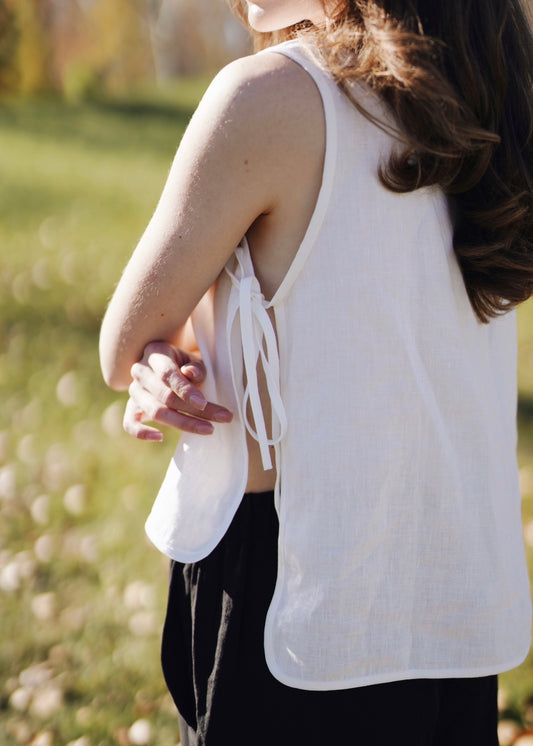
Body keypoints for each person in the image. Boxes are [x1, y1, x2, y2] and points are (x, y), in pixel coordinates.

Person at [99, 1, 533, 743]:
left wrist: (168, 350)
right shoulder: (488, 109)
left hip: (295, 586)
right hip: (450, 590)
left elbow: (123, 343)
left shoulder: (266, 98)